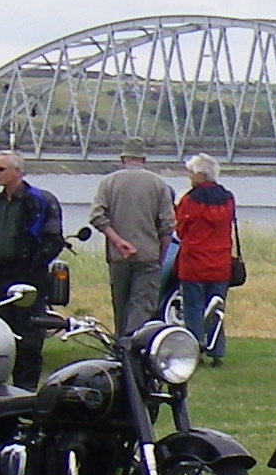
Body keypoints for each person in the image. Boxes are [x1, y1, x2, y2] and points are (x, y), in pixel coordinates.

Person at [0, 150, 66, 389]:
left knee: (29, 339)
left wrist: (32, 267)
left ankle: (26, 390)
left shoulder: (38, 201)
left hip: (28, 280)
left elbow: (54, 240)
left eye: (1, 169)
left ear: (17, 171)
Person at [91, 150, 174, 336]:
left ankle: (122, 343)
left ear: (123, 159)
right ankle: (134, 344)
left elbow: (96, 216)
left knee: (121, 306)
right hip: (148, 255)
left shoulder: (108, 182)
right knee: (142, 306)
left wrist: (118, 241)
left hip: (118, 256)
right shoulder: (159, 184)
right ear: (144, 159)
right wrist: (161, 256)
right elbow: (167, 225)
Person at [170, 153, 239, 360]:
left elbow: (181, 230)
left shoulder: (190, 200)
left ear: (201, 175)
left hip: (194, 262)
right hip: (220, 262)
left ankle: (195, 348)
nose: (189, 176)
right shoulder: (228, 198)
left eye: (191, 173)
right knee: (216, 307)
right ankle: (217, 350)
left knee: (193, 307)